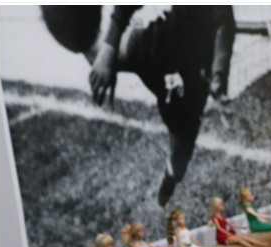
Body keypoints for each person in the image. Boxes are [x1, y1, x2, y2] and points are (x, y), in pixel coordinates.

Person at [40, 6, 235, 206]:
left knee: (182, 147)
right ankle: (88, 40)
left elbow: (224, 23)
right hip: (163, 42)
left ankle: (172, 173)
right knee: (118, 51)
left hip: (192, 67)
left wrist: (218, 77)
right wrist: (109, 46)